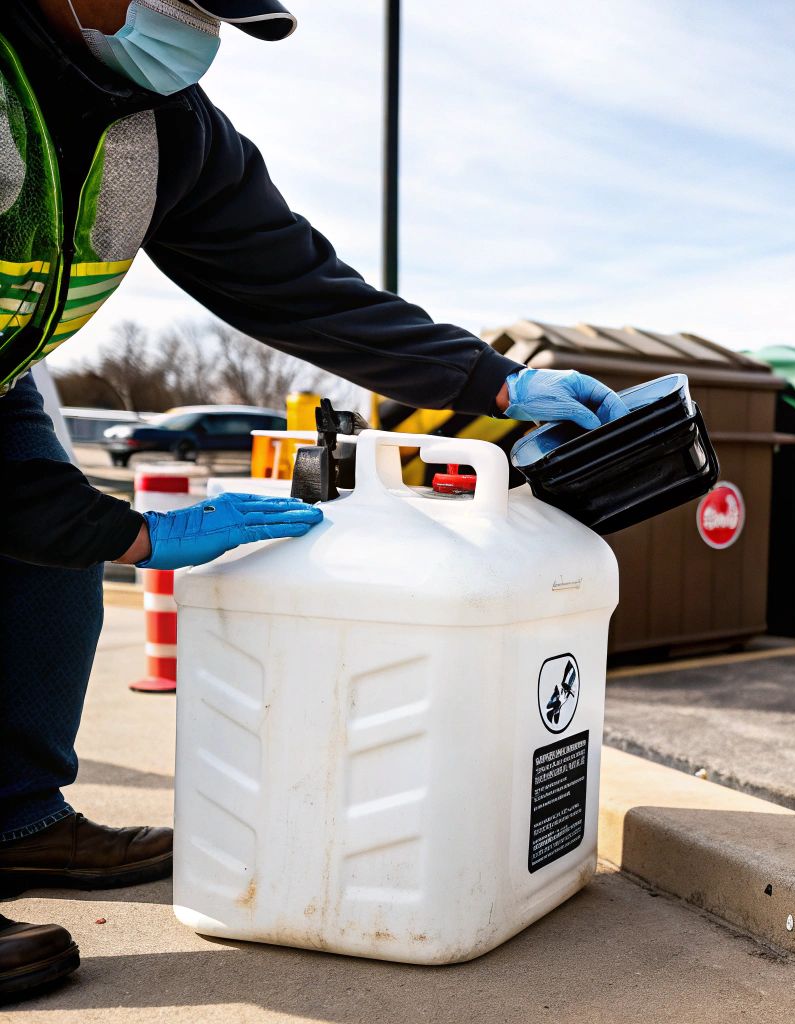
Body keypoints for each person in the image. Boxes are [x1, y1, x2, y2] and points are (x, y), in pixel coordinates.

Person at [0, 0, 626, 999]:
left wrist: (494, 384)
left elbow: (298, 287)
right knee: (58, 529)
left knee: (49, 575)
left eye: (215, 13)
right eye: (181, 2)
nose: (195, 31)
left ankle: (17, 821)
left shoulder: (168, 129)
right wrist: (127, 529)